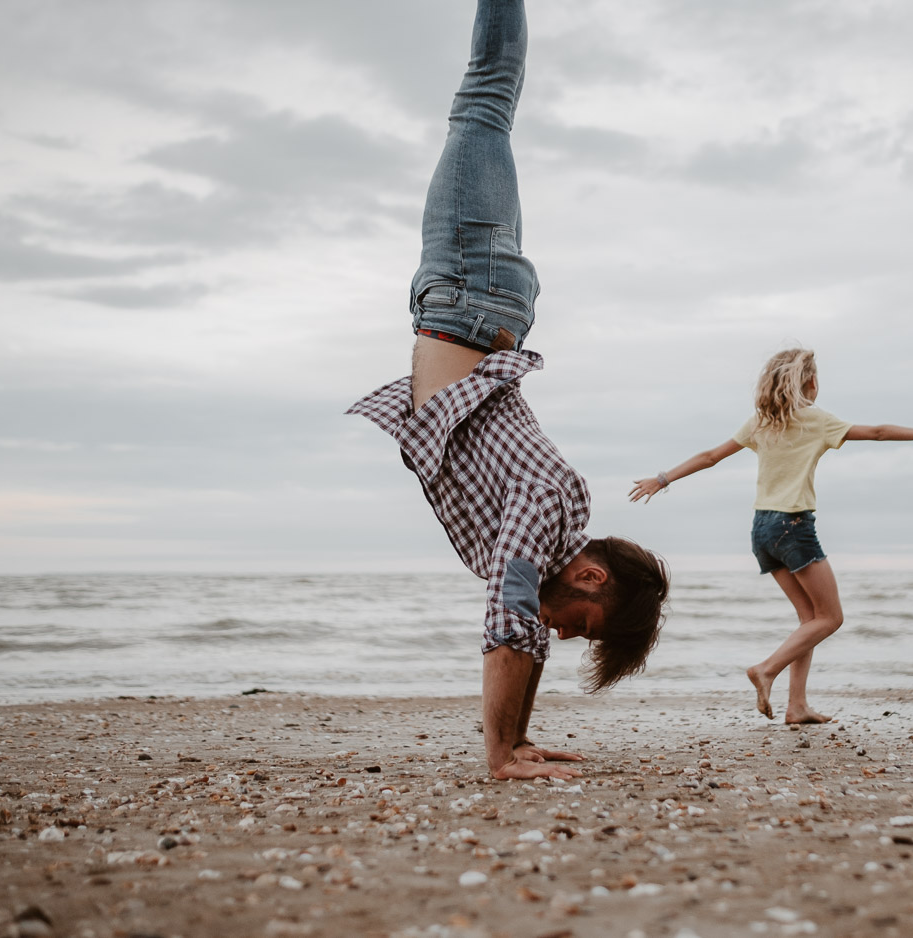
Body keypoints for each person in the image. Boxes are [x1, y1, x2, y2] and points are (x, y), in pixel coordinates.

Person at [347, 0, 669, 781]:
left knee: (491, 104)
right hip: (470, 284)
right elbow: (513, 616)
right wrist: (499, 756)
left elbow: (519, 617)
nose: (568, 638)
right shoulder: (548, 508)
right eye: (587, 628)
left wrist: (516, 742)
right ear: (591, 577)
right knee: (487, 92)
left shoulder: (552, 524)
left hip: (477, 297)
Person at [629, 349, 913, 723]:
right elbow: (877, 432)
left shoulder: (760, 422)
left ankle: (797, 706)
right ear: (811, 382)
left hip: (762, 531)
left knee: (809, 618)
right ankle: (766, 670)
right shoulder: (816, 420)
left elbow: (711, 456)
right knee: (831, 618)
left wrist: (661, 480)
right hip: (793, 526)